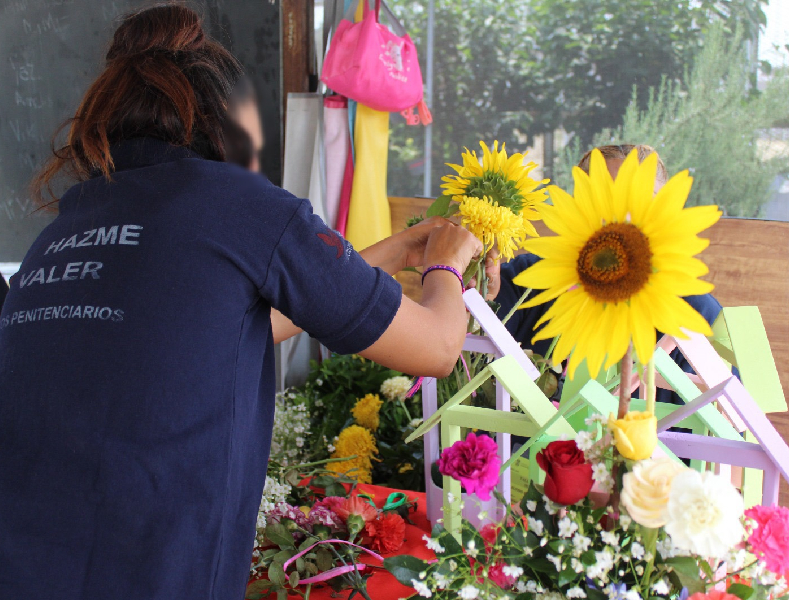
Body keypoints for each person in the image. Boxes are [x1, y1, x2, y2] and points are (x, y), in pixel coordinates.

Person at [0, 6, 482, 600]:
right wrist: (446, 262)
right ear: (224, 119)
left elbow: (229, 330)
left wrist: (390, 252)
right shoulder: (237, 205)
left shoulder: (64, 230)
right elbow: (435, 347)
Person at [494, 144, 723, 400]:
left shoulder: (695, 311)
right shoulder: (527, 281)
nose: (624, 215)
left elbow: (723, 427)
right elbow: (470, 354)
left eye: (641, 204)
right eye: (607, 200)